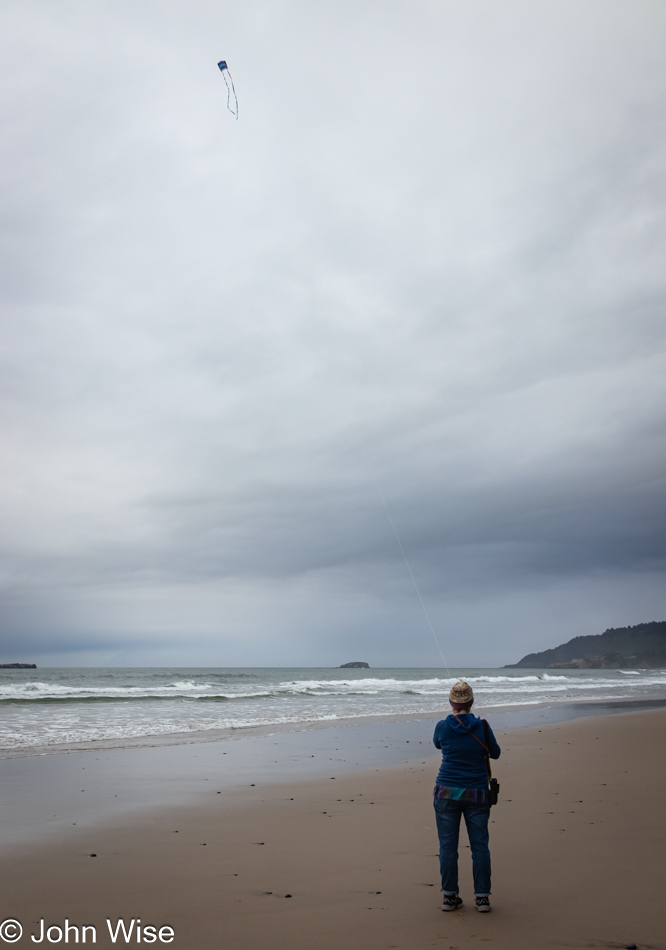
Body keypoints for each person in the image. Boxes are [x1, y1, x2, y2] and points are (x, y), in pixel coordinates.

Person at [433, 680, 501, 913]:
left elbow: (437, 745)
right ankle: (482, 898)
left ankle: (449, 897)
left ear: (451, 703)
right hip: (477, 793)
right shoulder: (482, 726)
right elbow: (496, 753)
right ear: (471, 702)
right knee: (480, 846)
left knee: (448, 847)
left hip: (446, 792)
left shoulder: (442, 726)